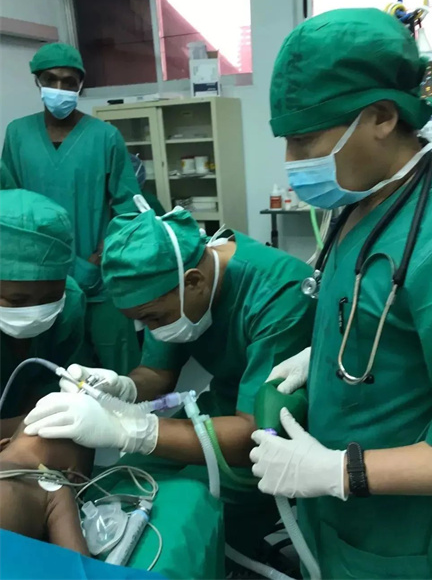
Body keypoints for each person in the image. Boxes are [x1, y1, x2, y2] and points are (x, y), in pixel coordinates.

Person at [247, 8, 432, 579]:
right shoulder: (361, 203)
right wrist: (324, 355)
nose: (292, 162)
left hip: (413, 545)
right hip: (342, 529)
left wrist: (340, 473)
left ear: (381, 116)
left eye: (305, 139)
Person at [23, 206, 316, 555]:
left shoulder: (279, 294)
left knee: (180, 516)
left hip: (281, 433)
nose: (150, 329)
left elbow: (257, 435)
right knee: (118, 483)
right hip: (223, 410)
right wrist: (120, 388)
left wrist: (132, 431)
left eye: (153, 318)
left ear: (194, 281)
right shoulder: (169, 286)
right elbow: (156, 374)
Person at [2, 42, 141, 375]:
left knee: (119, 369)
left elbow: (129, 206)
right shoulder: (18, 134)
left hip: (99, 276)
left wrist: (101, 255)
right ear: (38, 81)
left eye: (69, 81)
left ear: (80, 84)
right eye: (51, 79)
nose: (59, 88)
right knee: (55, 369)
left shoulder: (105, 136)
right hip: (39, 277)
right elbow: (7, 204)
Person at [0, 189, 85, 429]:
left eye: (51, 297)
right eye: (17, 300)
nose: (36, 313)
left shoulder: (71, 302)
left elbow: (54, 389)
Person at [0, 421, 93, 554]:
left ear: (3, 444)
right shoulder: (55, 488)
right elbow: (76, 561)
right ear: (75, 478)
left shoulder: (54, 489)